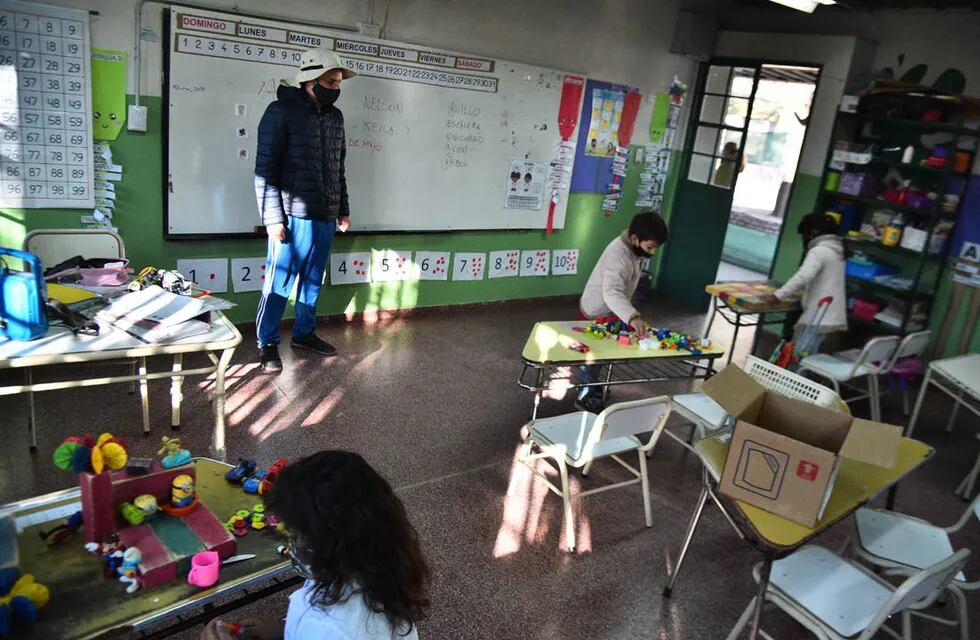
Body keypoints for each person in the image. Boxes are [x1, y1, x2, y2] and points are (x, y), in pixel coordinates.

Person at [200, 451, 430, 640]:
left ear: (331, 542)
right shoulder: (375, 566)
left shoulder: (327, 628)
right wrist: (284, 630)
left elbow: (330, 628)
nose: (294, 542)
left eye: (298, 533)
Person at [254, 48, 355, 373]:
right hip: (290, 215)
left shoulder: (335, 118)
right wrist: (272, 219)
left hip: (325, 214)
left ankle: (304, 334)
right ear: (309, 80)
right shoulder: (279, 112)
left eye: (339, 82)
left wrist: (342, 208)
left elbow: (338, 167)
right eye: (330, 81)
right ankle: (267, 343)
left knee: (313, 279)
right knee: (279, 282)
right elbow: (265, 170)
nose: (335, 88)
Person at [576, 211, 669, 411]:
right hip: (594, 310)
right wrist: (633, 317)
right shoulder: (618, 254)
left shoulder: (635, 249)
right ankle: (585, 395)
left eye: (656, 247)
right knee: (590, 357)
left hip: (611, 310)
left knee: (602, 354)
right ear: (635, 238)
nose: (652, 252)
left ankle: (593, 386)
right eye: (650, 247)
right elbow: (611, 292)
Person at [773, 212, 847, 352]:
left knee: (797, 354)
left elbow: (803, 276)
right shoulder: (838, 250)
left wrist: (778, 295)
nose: (804, 239)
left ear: (813, 232)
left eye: (804, 235)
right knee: (808, 353)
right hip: (830, 314)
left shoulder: (819, 251)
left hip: (818, 314)